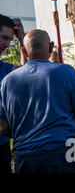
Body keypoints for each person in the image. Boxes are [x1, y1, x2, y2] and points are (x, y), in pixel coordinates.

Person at [0, 29, 75, 173]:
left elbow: (3, 127)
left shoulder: (7, 81)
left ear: (24, 51)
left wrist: (28, 130)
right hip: (65, 150)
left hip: (24, 156)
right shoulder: (66, 72)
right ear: (51, 47)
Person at [0, 14, 25, 173]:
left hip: (2, 147)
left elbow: (31, 73)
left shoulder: (5, 69)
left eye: (10, 39)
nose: (7, 44)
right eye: (3, 38)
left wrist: (22, 38)